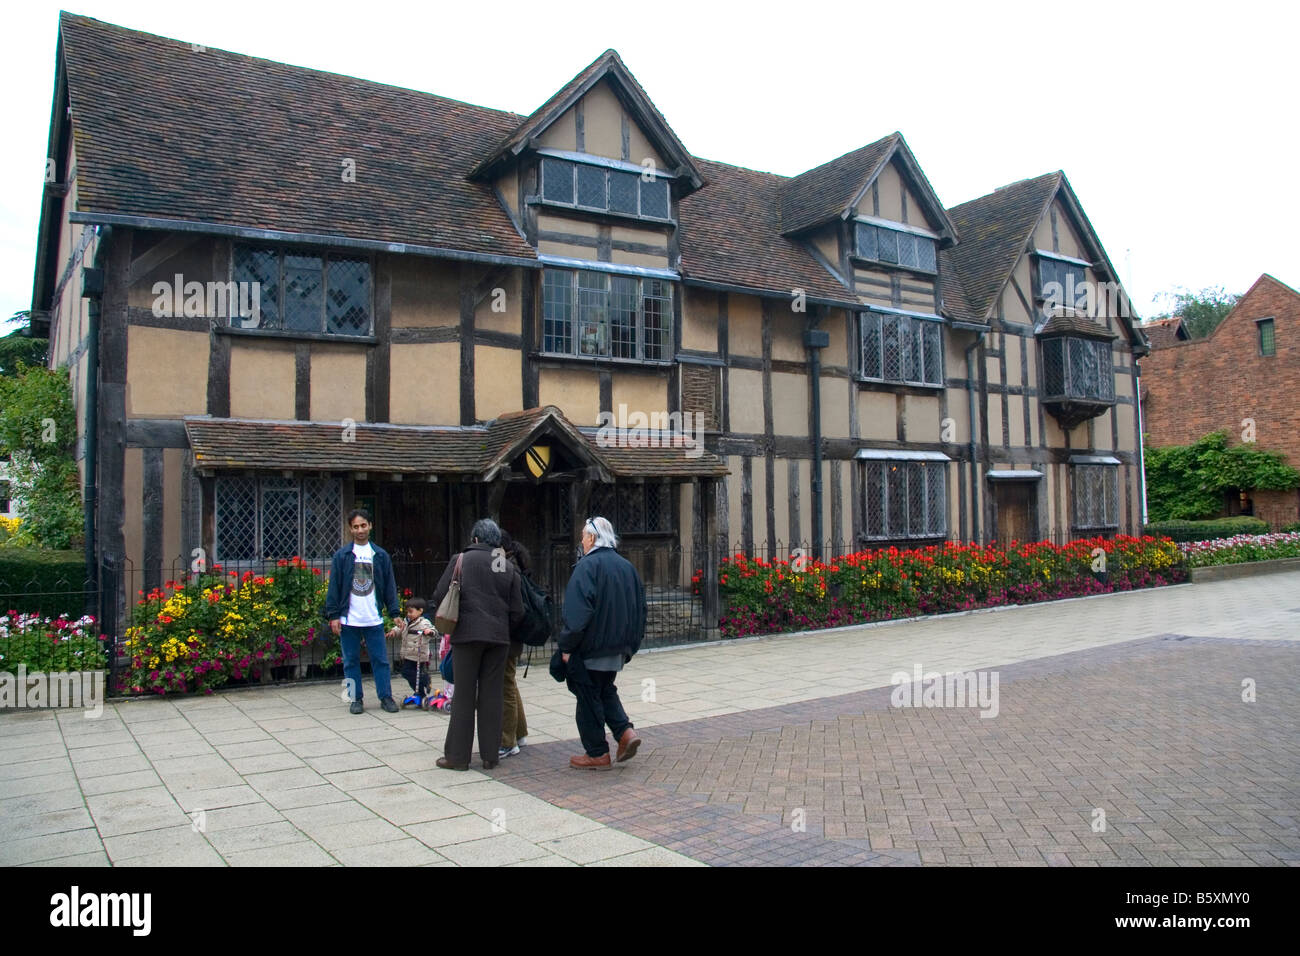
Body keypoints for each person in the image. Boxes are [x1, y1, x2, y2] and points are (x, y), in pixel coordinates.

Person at [431, 518, 524, 770]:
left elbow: (440, 594)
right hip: (498, 639)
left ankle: (457, 757)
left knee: (463, 694)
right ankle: (490, 756)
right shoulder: (506, 566)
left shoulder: (460, 560)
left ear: (474, 539)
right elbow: (518, 610)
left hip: (466, 636)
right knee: (492, 695)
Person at [558, 516, 646, 769]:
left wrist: (566, 646)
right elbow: (640, 609)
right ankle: (625, 733)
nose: (582, 541)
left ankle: (597, 752)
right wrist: (631, 644)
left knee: (587, 697)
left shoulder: (587, 567)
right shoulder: (626, 566)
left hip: (590, 648)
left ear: (593, 538)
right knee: (604, 689)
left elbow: (577, 615)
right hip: (619, 646)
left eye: (584, 536)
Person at [326, 509, 402, 714]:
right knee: (350, 661)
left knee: (381, 660)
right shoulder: (342, 556)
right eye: (356, 526)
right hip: (349, 618)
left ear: (370, 526)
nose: (360, 530)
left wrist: (394, 612)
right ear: (350, 529)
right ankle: (354, 698)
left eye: (363, 525)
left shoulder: (380, 555)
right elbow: (334, 587)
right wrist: (333, 615)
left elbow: (389, 586)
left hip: (373, 618)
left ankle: (386, 697)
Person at [497, 531, 531, 758]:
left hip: (508, 635)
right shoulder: (513, 563)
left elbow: (511, 607)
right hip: (513, 636)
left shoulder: (505, 567)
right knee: (509, 682)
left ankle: (508, 741)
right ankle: (520, 733)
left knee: (505, 686)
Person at [387, 597, 436, 706]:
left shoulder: (423, 622)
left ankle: (425, 680)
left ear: (420, 611)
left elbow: (433, 631)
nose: (408, 614)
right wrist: (394, 632)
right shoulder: (406, 621)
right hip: (408, 654)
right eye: (407, 612)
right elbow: (400, 628)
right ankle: (420, 693)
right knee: (408, 674)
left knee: (411, 673)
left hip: (419, 654)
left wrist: (429, 632)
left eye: (411, 611)